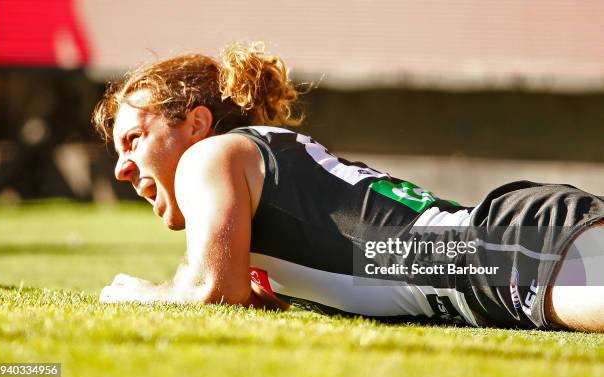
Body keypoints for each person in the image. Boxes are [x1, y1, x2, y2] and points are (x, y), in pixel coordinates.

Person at [92, 42, 604, 332]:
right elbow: (237, 294)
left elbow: (210, 291)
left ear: (197, 123)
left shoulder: (210, 155)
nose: (122, 168)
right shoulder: (250, 171)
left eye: (133, 140)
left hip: (497, 255)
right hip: (494, 258)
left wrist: (145, 293)